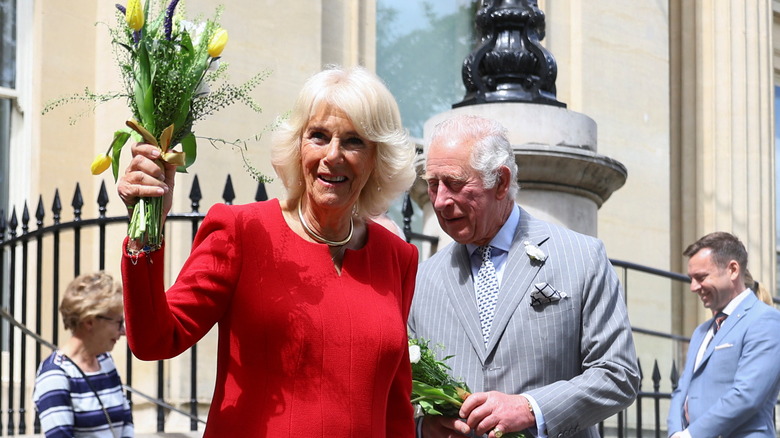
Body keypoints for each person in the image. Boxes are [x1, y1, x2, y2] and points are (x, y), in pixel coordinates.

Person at [116, 65, 418, 437]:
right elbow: (154, 339)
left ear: (377, 158)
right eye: (318, 136)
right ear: (297, 145)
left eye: (354, 141)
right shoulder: (241, 231)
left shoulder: (397, 257)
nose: (333, 156)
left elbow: (395, 408)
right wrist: (145, 229)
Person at [408, 114, 640, 438]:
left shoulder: (582, 258)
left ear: (500, 182)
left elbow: (619, 375)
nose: (441, 200)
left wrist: (532, 408)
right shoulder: (421, 280)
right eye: (433, 184)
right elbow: (401, 390)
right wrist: (422, 427)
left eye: (455, 183)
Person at [668, 232, 780, 438]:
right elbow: (681, 390)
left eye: (701, 277)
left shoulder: (766, 321)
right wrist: (676, 433)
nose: (693, 287)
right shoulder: (701, 331)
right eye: (690, 279)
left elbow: (747, 395)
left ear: (733, 270)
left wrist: (692, 435)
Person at [33, 272, 133, 438]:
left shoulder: (105, 362)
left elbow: (126, 422)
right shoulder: (54, 375)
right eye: (118, 322)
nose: (123, 331)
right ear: (90, 321)